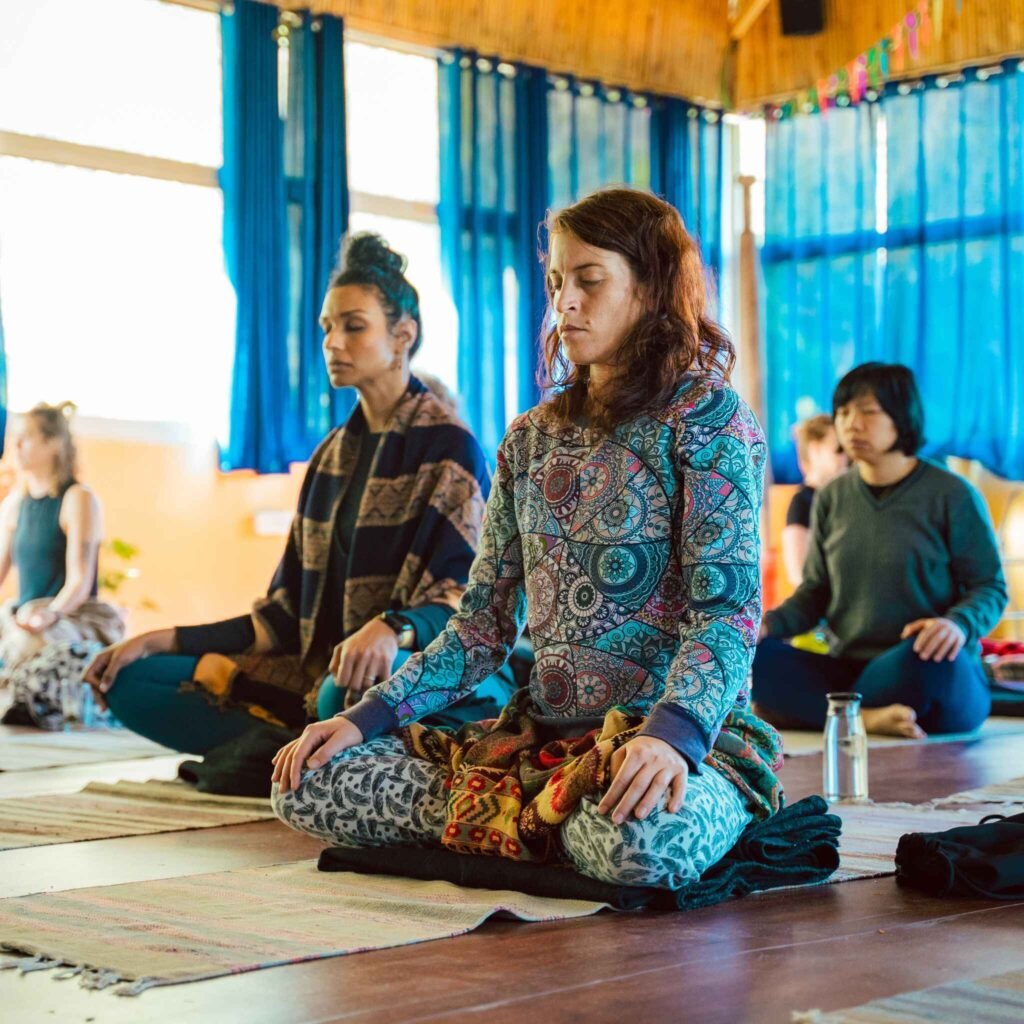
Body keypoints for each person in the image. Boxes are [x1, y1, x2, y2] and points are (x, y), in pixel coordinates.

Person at [271, 189, 783, 892]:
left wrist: (672, 735)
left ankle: (538, 824)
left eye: (588, 280)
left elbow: (727, 614)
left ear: (653, 285)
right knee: (308, 782)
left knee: (641, 844)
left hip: (681, 741)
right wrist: (365, 717)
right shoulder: (531, 438)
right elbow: (479, 627)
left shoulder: (711, 419)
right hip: (540, 744)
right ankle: (545, 822)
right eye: (555, 283)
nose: (563, 303)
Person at [85, 234, 514, 754]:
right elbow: (281, 620)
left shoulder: (450, 447)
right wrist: (157, 638)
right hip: (318, 673)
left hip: (419, 668)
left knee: (349, 690)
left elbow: (471, 605)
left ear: (404, 334)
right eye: (327, 328)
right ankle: (295, 755)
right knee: (133, 678)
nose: (333, 342)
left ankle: (282, 754)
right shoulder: (331, 457)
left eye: (353, 326)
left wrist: (392, 627)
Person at [754, 363, 1007, 738]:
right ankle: (869, 717)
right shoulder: (831, 497)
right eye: (843, 412)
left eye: (868, 411)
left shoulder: (952, 495)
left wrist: (956, 624)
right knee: (754, 656)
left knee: (930, 660)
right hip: (849, 667)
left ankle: (832, 712)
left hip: (921, 661)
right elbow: (815, 594)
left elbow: (990, 587)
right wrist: (764, 625)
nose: (851, 424)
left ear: (902, 417)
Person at [0, 402, 124, 728]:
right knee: (15, 622)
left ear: (53, 443)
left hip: (71, 616)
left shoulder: (77, 498)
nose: (15, 446)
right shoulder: (16, 503)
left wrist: (50, 614)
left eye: (25, 438)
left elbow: (80, 581)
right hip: (25, 614)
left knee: (26, 636)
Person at [782, 414, 848, 587]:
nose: (847, 457)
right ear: (815, 450)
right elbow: (798, 574)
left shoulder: (845, 498)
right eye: (839, 449)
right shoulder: (802, 502)